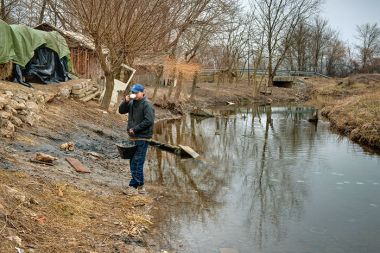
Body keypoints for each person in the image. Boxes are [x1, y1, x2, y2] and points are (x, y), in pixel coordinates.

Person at [119, 83, 155, 196]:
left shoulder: (147, 105)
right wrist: (125, 101)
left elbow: (149, 120)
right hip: (133, 137)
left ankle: (133, 187)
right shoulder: (131, 102)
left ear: (142, 92)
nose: (134, 94)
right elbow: (121, 111)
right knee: (133, 161)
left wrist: (135, 129)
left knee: (137, 161)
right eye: (133, 92)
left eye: (136, 92)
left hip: (142, 137)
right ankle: (141, 186)